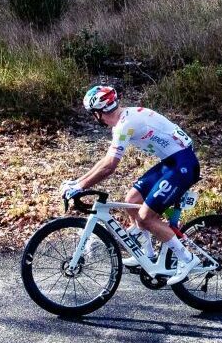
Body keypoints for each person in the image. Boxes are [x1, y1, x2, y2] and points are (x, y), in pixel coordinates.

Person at [64, 86, 204, 286]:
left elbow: (110, 166)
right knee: (132, 200)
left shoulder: (125, 124)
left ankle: (187, 259)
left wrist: (81, 187)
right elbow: (105, 161)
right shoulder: (123, 120)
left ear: (98, 113)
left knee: (146, 217)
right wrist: (78, 182)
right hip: (173, 161)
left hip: (183, 164)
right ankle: (146, 253)